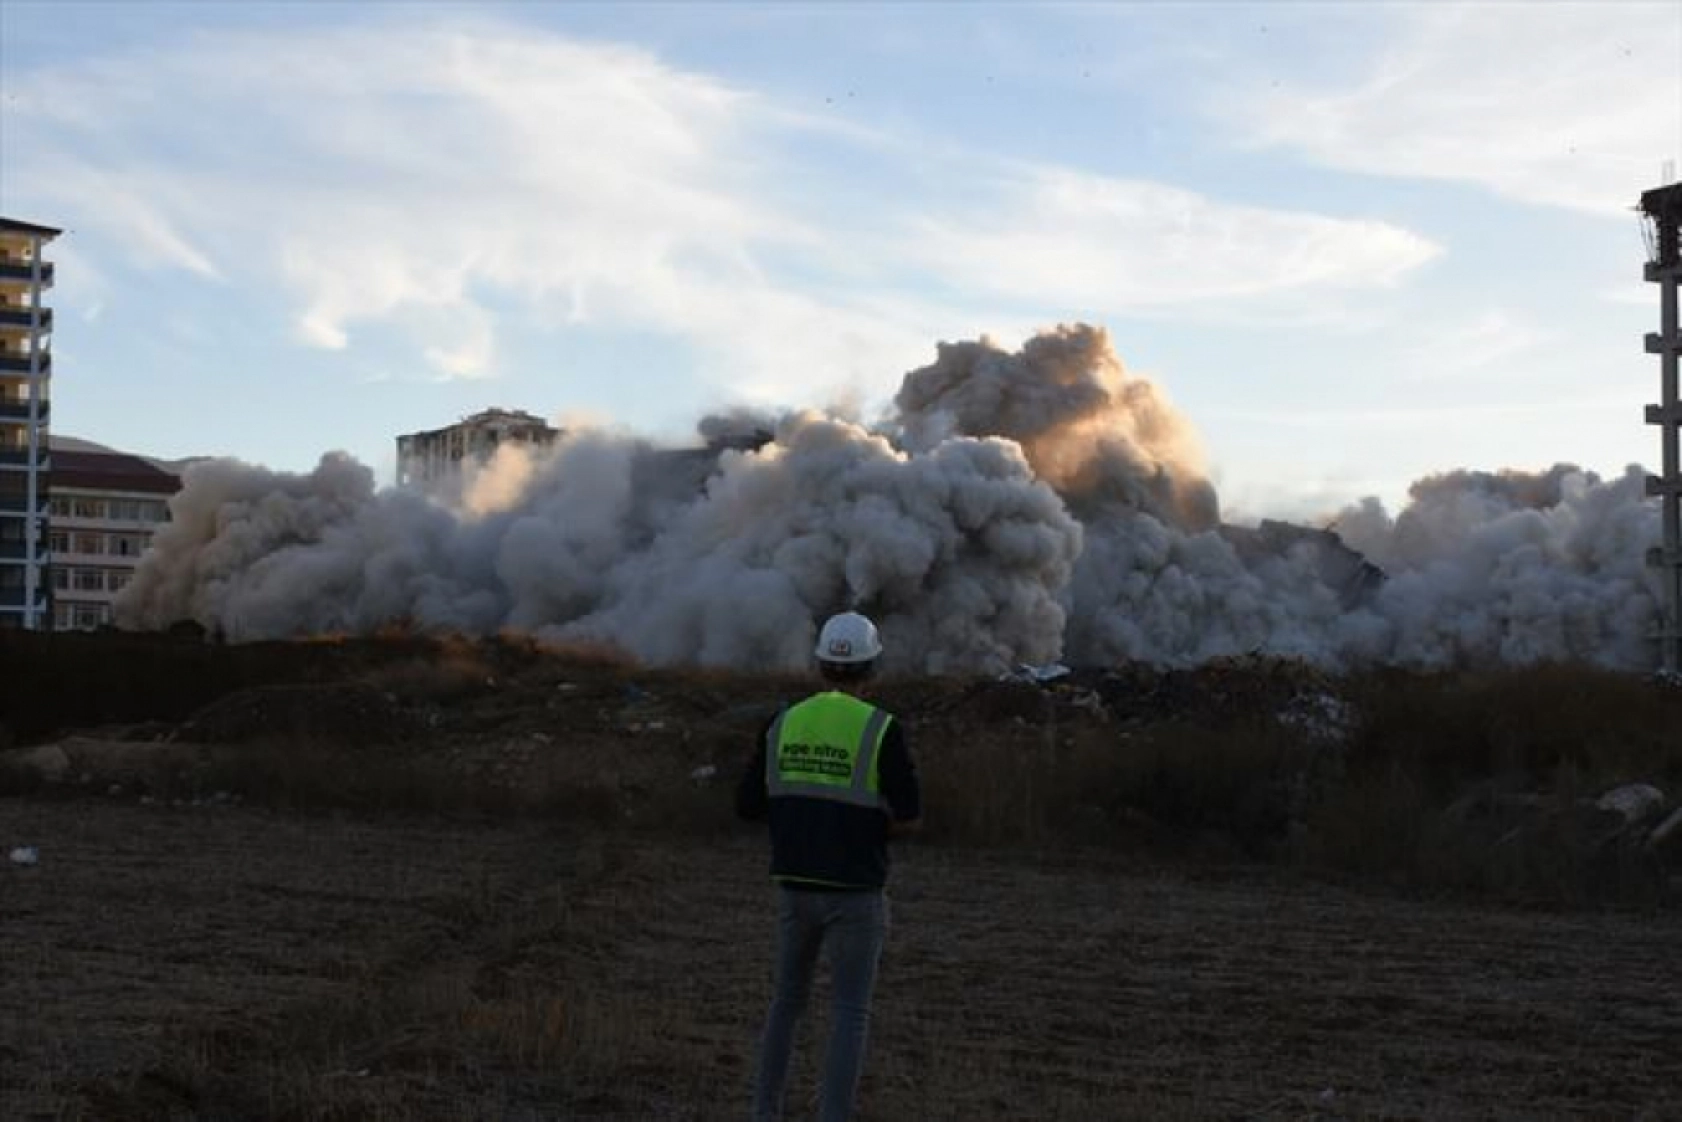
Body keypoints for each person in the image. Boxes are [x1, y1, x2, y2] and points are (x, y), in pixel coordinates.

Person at [736, 610, 922, 1122]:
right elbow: (909, 816)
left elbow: (748, 806)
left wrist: (798, 817)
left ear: (819, 665)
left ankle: (763, 1112)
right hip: (856, 889)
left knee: (785, 1003)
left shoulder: (783, 722)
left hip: (794, 884)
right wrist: (867, 828)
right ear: (873, 668)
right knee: (849, 1011)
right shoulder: (882, 729)